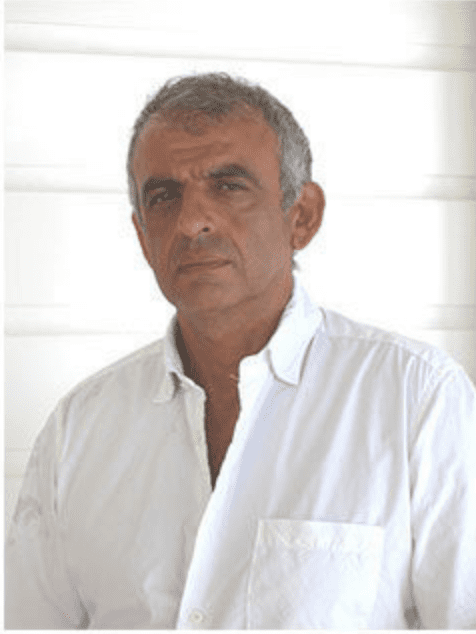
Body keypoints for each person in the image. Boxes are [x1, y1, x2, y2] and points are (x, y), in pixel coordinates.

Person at [5, 72, 476, 630]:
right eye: (163, 196)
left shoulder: (416, 400)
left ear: (302, 216)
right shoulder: (78, 431)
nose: (191, 221)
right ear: (142, 235)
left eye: (228, 186)